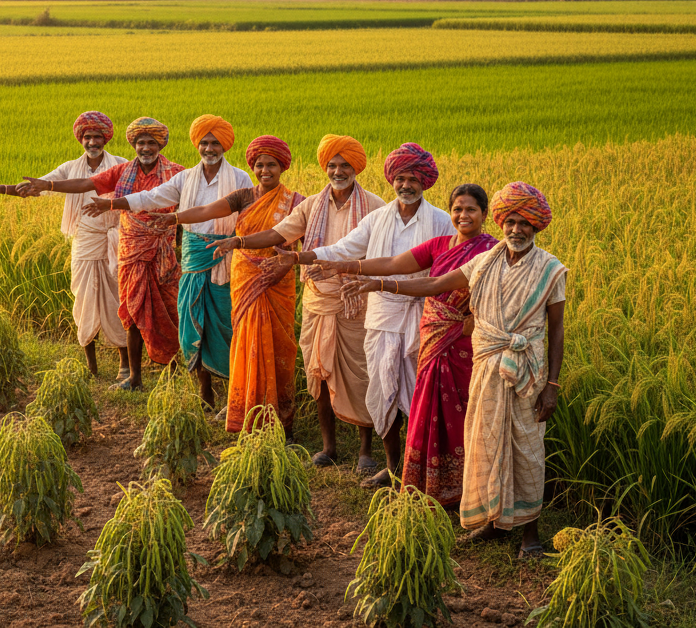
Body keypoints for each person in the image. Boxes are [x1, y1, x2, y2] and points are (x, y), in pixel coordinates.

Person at [339, 182, 565, 559]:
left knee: (525, 449)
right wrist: (377, 283)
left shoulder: (550, 269)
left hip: (526, 373)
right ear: (501, 223)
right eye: (510, 222)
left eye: (524, 223)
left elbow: (557, 329)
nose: (516, 229)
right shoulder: (485, 262)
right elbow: (433, 284)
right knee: (484, 442)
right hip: (486, 368)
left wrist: (552, 385)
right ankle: (492, 522)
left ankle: (530, 535)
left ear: (536, 226)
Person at [270, 142, 454, 487]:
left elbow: (449, 271)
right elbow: (343, 248)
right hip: (381, 316)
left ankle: (421, 468)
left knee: (421, 395)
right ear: (392, 180)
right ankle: (393, 467)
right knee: (383, 392)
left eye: (413, 179)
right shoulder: (378, 219)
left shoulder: (442, 222)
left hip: (423, 316)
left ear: (425, 182)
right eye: (400, 179)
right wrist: (300, 257)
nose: (406, 185)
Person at [313, 184, 498, 507]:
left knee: (465, 411)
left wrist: (476, 315)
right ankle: (421, 476)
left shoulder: (492, 251)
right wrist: (345, 266)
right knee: (427, 407)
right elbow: (393, 263)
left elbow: (467, 289)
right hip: (433, 337)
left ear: (484, 214)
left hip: (466, 342)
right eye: (457, 209)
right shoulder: (439, 245)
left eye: (471, 209)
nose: (463, 215)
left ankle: (469, 486)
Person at [213, 134, 385, 471]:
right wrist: (240, 241)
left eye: (345, 165)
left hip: (355, 302)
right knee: (318, 373)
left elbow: (383, 250)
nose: (338, 171)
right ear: (325, 168)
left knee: (360, 373)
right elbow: (278, 234)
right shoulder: (312, 206)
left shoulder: (375, 207)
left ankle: (365, 449)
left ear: (356, 168)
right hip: (318, 301)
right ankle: (329, 446)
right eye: (332, 165)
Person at [83, 114, 253, 410]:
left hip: (225, 260)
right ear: (197, 145)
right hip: (192, 259)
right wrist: (112, 203)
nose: (209, 148)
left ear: (225, 145)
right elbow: (150, 197)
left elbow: (250, 219)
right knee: (193, 326)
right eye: (204, 143)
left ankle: (233, 397)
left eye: (215, 143)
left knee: (225, 324)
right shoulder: (185, 179)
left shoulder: (240, 179)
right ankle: (205, 394)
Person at [19, 117, 184, 390]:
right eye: (140, 143)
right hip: (130, 251)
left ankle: (174, 371)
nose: (145, 148)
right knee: (132, 311)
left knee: (169, 310)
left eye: (151, 143)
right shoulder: (122, 171)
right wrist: (48, 185)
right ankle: (134, 378)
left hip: (163, 254)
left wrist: (180, 240)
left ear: (160, 145)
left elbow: (189, 205)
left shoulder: (177, 173)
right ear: (133, 145)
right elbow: (86, 184)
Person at [153, 136, 304, 434]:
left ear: (282, 167)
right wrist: (174, 218)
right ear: (253, 167)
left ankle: (279, 416)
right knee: (245, 341)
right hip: (245, 279)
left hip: (276, 282)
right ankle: (247, 409)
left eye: (271, 165)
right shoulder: (243, 197)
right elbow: (206, 211)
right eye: (259, 165)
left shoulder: (296, 202)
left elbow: (300, 239)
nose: (264, 171)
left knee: (278, 344)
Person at [0, 111, 127, 378]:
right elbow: (37, 187)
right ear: (81, 139)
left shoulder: (121, 165)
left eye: (97, 137)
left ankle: (124, 365)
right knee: (83, 301)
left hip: (113, 242)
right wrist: (1, 188)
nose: (92, 142)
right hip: (84, 242)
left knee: (117, 299)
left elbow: (139, 194)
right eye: (88, 137)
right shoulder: (69, 168)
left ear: (106, 139)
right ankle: (91, 368)